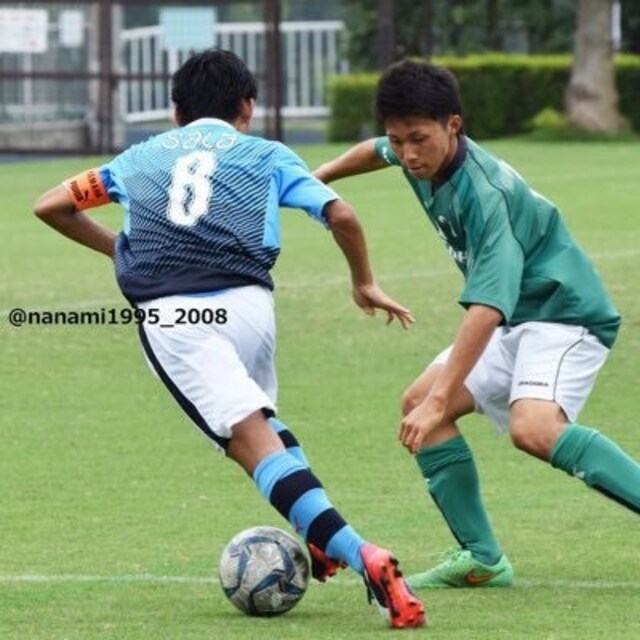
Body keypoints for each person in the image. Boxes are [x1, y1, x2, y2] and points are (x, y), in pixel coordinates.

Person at [33, 49, 426, 628]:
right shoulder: (267, 154)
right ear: (248, 107)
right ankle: (317, 537)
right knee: (264, 429)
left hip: (177, 317)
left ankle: (360, 552)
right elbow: (341, 215)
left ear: (176, 112)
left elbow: (52, 205)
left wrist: (121, 249)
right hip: (250, 309)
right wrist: (363, 282)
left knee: (250, 444)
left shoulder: (139, 158)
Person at [314, 59, 640, 589]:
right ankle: (483, 560)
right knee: (418, 404)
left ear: (454, 126)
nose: (407, 154)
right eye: (399, 140)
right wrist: (318, 179)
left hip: (564, 314)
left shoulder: (486, 195)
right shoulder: (414, 153)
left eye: (418, 139)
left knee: (532, 429)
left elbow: (487, 308)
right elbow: (374, 150)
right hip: (518, 317)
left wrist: (442, 398)